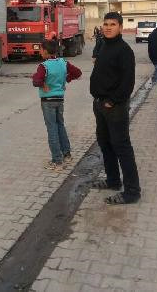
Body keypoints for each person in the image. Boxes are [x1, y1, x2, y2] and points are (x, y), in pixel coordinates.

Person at [90, 12, 141, 205]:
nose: (108, 27)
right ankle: (112, 180)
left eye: (113, 24)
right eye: (106, 24)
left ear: (120, 27)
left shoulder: (124, 50)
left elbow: (128, 82)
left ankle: (132, 192)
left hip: (115, 107)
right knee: (105, 143)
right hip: (100, 104)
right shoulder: (103, 45)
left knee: (122, 147)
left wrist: (112, 100)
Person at [32, 39, 82, 170]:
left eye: (41, 49)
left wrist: (42, 83)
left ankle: (57, 161)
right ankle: (67, 154)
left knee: (52, 129)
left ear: (46, 51)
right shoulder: (63, 63)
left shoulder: (43, 66)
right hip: (60, 99)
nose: (40, 52)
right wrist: (66, 79)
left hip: (48, 102)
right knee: (60, 126)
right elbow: (78, 73)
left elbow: (36, 81)